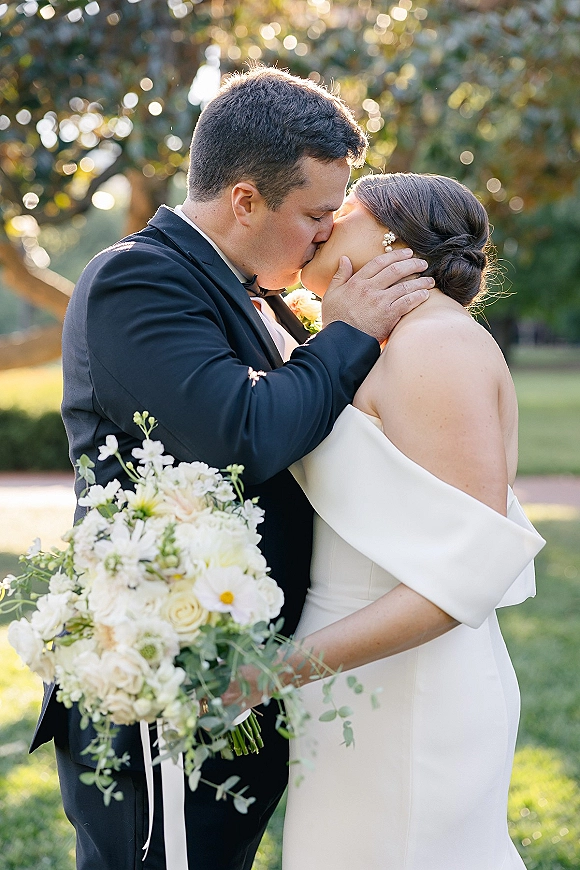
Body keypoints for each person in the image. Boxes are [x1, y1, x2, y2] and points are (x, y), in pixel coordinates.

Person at [29, 69, 434, 870]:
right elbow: (242, 431)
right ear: (246, 200)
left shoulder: (251, 292)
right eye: (316, 214)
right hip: (163, 692)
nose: (325, 236)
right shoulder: (136, 280)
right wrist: (346, 336)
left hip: (236, 688)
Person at [224, 173, 545, 869]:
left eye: (342, 210)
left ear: (393, 237)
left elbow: (464, 574)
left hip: (413, 689)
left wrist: (273, 672)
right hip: (352, 682)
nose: (320, 224)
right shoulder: (375, 343)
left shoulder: (438, 346)